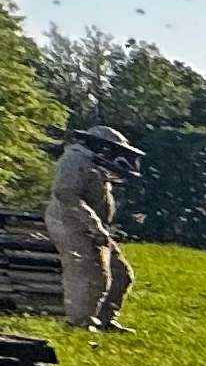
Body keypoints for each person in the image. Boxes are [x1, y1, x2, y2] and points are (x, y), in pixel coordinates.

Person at [44, 125, 142, 332]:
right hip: (70, 225)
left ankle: (105, 319)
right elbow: (66, 194)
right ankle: (79, 323)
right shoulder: (74, 161)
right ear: (103, 147)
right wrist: (94, 225)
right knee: (90, 275)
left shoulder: (92, 163)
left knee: (121, 274)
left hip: (92, 227)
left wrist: (98, 227)